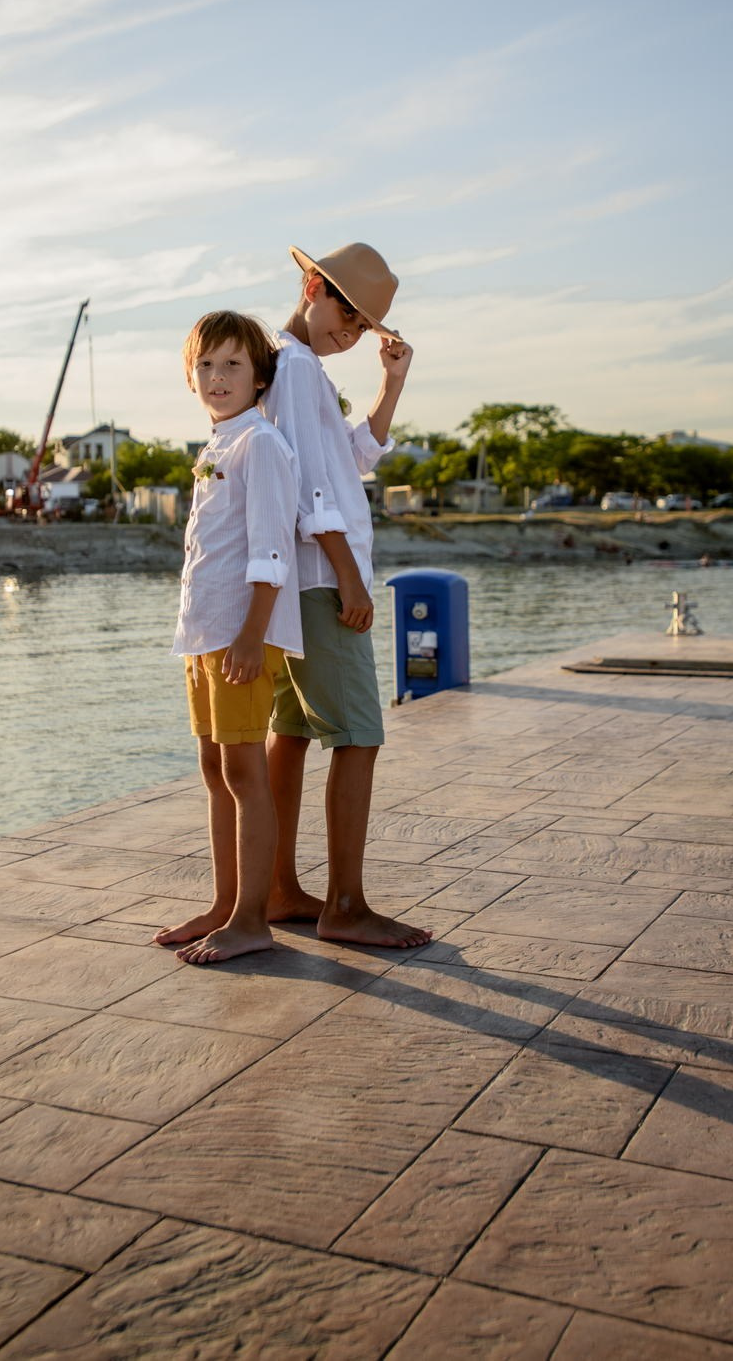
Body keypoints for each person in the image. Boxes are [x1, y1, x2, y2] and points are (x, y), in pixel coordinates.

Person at [262, 242, 432, 949]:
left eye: (365, 325)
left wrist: (391, 385)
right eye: (350, 315)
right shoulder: (297, 368)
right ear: (313, 287)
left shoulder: (291, 364)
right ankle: (345, 906)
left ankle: (278, 888)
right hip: (322, 577)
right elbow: (311, 488)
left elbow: (351, 457)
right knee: (358, 735)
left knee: (291, 732)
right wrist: (350, 576)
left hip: (292, 580)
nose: (355, 333)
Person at [155, 310, 303, 965]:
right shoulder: (217, 445)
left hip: (241, 633)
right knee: (215, 769)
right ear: (191, 377)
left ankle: (252, 917)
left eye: (233, 364)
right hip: (203, 633)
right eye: (206, 364)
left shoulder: (259, 444)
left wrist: (251, 635)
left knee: (245, 771)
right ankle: (223, 903)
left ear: (259, 377)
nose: (217, 376)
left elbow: (271, 548)